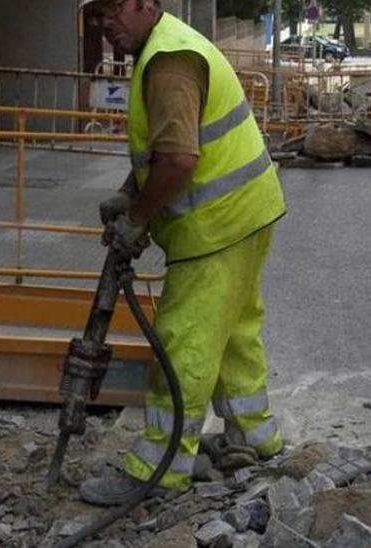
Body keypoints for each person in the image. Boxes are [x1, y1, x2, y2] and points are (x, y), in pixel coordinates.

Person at [78, 0, 287, 505]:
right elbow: (163, 152)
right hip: (247, 213)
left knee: (183, 342)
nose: (105, 22)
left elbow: (177, 161)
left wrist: (138, 220)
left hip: (216, 226)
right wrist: (131, 193)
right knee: (234, 333)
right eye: (97, 13)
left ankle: (160, 467)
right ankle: (255, 440)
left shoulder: (168, 61)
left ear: (146, 5)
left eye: (114, 9)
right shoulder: (168, 45)